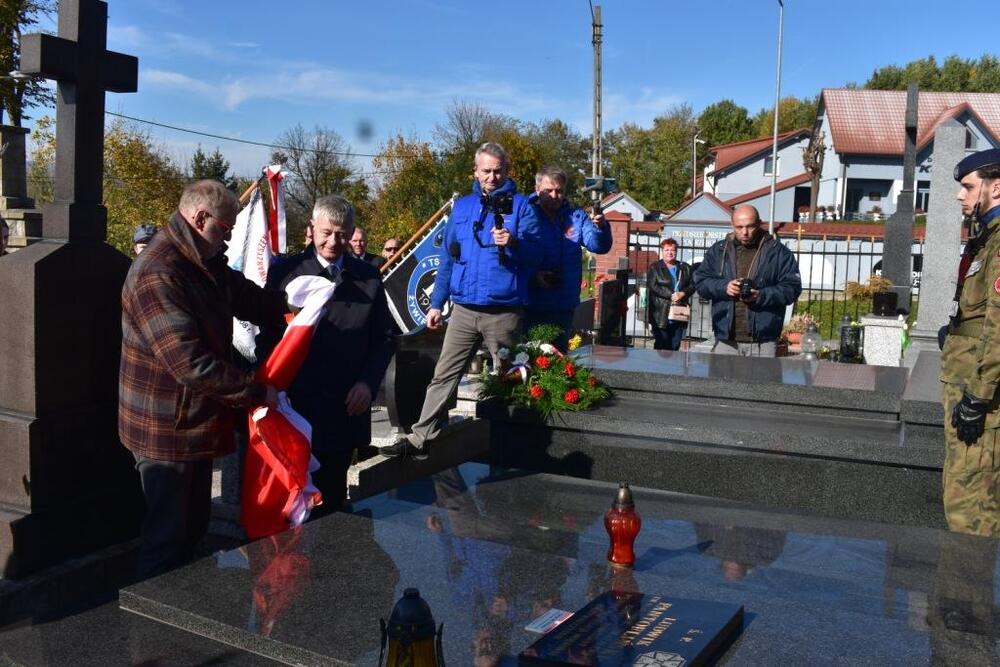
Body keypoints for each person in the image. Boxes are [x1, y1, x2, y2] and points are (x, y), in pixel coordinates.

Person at [119, 180, 287, 578]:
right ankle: (153, 627)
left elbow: (244, 296)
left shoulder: (203, 259)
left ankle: (185, 613)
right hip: (164, 427)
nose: (228, 238)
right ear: (199, 219)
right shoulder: (159, 273)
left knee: (193, 528)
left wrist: (292, 307)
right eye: (224, 228)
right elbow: (190, 363)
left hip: (192, 422)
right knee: (166, 540)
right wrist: (256, 391)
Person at [380, 142, 540, 459]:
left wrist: (515, 243)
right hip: (465, 310)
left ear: (507, 171)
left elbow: (537, 256)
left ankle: (515, 442)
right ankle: (420, 438)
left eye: (498, 170)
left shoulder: (521, 207)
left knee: (510, 377)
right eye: (486, 171)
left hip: (503, 311)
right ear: (475, 172)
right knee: (444, 374)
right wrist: (437, 303)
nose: (492, 177)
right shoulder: (463, 208)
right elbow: (449, 259)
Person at [256, 194, 394, 510]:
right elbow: (269, 337)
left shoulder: (368, 276)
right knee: (291, 500)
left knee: (331, 498)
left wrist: (367, 384)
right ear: (312, 228)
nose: (334, 241)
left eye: (343, 234)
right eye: (327, 232)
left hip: (344, 405)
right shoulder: (286, 273)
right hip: (295, 405)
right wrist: (269, 387)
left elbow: (384, 338)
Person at [939, 148, 1000, 537]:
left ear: (997, 187)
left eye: (968, 187)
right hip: (966, 385)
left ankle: (964, 598)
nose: (961, 196)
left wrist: (978, 396)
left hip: (980, 396)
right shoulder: (986, 240)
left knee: (970, 513)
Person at [693, 205, 801, 357]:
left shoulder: (778, 252)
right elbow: (701, 282)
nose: (744, 232)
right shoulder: (718, 250)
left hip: (763, 341)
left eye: (750, 226)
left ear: (759, 223)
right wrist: (724, 287)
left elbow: (792, 288)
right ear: (732, 225)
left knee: (763, 382)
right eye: (739, 227)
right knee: (721, 382)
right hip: (726, 339)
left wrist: (761, 295)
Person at [523, 165, 611, 351]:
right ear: (537, 189)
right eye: (548, 191)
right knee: (527, 359)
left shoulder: (576, 217)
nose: (554, 196)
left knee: (559, 360)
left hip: (563, 302)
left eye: (559, 191)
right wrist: (533, 274)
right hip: (531, 302)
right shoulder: (524, 215)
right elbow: (515, 253)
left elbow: (598, 246)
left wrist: (600, 227)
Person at [646, 238, 693, 350]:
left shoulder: (684, 267)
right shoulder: (655, 267)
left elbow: (693, 285)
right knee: (662, 344)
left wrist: (683, 293)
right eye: (667, 250)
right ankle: (659, 367)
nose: (670, 253)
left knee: (675, 345)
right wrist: (671, 295)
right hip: (661, 312)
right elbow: (652, 286)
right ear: (662, 251)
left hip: (679, 312)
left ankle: (672, 367)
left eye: (673, 250)